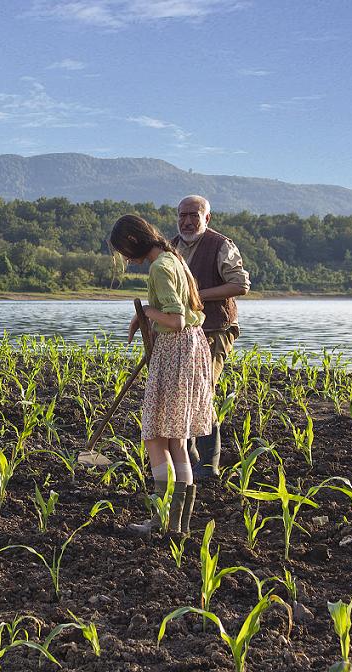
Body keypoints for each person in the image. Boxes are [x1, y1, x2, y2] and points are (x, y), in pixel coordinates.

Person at [108, 214, 214, 537]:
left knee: (156, 436)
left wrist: (145, 314)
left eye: (124, 252)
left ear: (133, 243)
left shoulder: (161, 267)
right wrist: (145, 320)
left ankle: (161, 520)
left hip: (176, 350)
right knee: (176, 441)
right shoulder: (174, 258)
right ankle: (176, 526)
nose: (126, 259)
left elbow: (177, 319)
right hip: (190, 350)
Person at [173, 195, 251, 480]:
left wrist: (198, 296)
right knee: (182, 390)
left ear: (207, 218)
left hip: (216, 328)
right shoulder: (173, 247)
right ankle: (190, 455)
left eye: (194, 214)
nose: (188, 221)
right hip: (183, 329)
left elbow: (240, 284)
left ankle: (209, 464)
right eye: (182, 215)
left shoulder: (221, 245)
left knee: (203, 389)